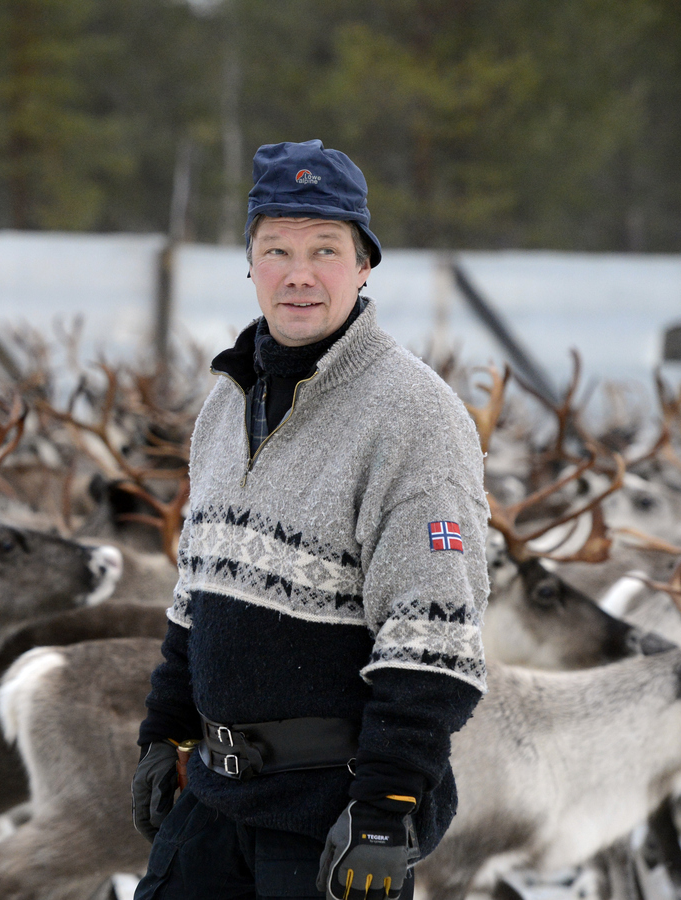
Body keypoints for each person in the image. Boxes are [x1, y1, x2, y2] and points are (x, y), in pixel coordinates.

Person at [130, 139, 490, 900]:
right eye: (277, 250)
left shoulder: (414, 416)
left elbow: (433, 634)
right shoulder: (227, 401)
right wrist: (165, 730)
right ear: (250, 264)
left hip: (330, 816)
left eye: (325, 249)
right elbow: (198, 592)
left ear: (364, 266)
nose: (299, 273)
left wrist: (388, 805)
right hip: (213, 801)